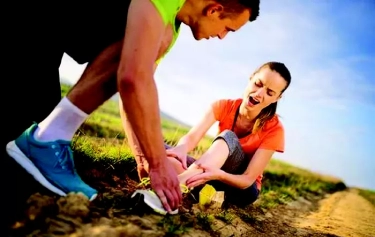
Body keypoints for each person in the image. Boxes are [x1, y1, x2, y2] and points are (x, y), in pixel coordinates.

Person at [4, 0, 261, 215]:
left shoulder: (169, 26)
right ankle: (46, 140)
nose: (221, 36)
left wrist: (141, 156)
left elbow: (135, 87)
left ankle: (46, 139)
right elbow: (133, 78)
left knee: (33, 130)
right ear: (214, 9)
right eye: (228, 29)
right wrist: (158, 164)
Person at [130, 61, 291, 214]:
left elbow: (247, 179)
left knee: (228, 136)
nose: (259, 93)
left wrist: (217, 174)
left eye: (270, 92)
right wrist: (181, 148)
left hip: (241, 189)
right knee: (158, 149)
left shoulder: (275, 129)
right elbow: (192, 137)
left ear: (277, 98)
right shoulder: (223, 106)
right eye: (258, 83)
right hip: (209, 174)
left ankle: (173, 190)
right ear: (251, 77)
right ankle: (194, 186)